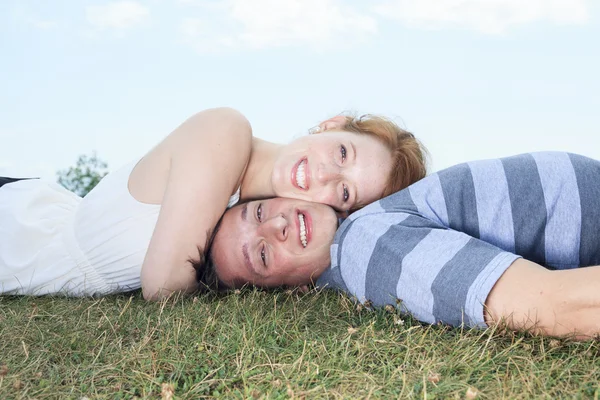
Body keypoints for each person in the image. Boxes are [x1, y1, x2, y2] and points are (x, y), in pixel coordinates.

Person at [0, 108, 427, 299]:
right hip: (13, 225)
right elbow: (163, 284)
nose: (326, 176)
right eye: (342, 154)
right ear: (330, 125)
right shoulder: (226, 132)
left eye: (345, 192)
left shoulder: (252, 209)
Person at [207, 151, 600, 339]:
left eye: (257, 213)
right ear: (293, 290)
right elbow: (556, 305)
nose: (276, 224)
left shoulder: (363, 226)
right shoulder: (367, 251)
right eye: (261, 254)